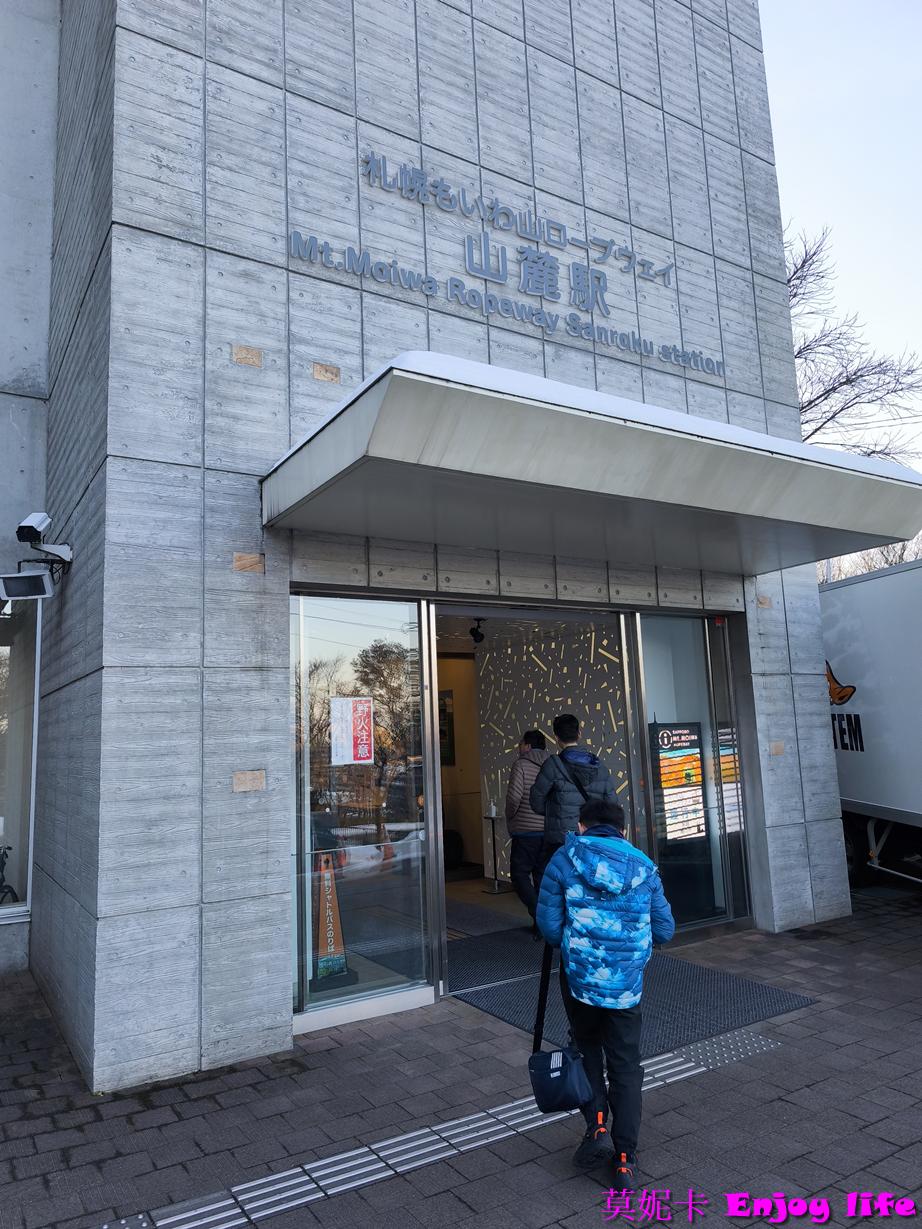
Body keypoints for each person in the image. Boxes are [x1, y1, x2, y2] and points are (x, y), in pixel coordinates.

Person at [535, 798, 675, 1189]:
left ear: (581, 826)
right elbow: (665, 930)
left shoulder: (564, 860)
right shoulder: (644, 867)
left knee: (586, 1049)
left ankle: (596, 1124)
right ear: (624, 832)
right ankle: (626, 1159)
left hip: (579, 981)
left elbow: (548, 927)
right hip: (625, 989)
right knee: (626, 1066)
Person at [529, 713, 617, 867]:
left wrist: (556, 811)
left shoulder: (552, 765)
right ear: (579, 733)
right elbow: (612, 803)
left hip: (560, 839)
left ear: (556, 737)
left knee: (560, 883)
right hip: (593, 837)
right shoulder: (599, 765)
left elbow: (536, 801)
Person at [503, 730, 551, 921]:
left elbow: (514, 797)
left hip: (525, 830)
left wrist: (510, 816)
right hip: (547, 830)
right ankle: (544, 923)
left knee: (519, 875)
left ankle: (538, 916)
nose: (519, 746)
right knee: (541, 876)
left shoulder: (520, 765)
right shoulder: (552, 765)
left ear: (528, 746)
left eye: (521, 743)